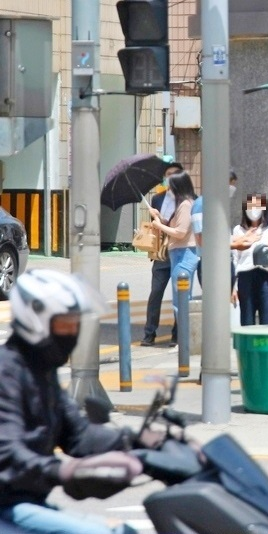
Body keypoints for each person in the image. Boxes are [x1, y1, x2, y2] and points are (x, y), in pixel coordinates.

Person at [0, 270, 163, 534]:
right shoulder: (6, 373)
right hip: (7, 506)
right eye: (65, 325)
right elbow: (7, 454)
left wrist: (135, 440)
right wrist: (63, 471)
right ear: (34, 321)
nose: (71, 334)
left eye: (76, 325)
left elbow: (77, 435)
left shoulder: (41, 370)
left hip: (28, 502)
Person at [149, 171, 199, 341]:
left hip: (183, 253)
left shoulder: (185, 204)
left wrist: (159, 226)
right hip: (179, 252)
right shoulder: (182, 204)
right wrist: (159, 218)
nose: (168, 188)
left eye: (171, 184)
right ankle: (185, 340)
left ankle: (185, 341)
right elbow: (175, 225)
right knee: (181, 299)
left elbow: (180, 232)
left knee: (181, 301)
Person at [141, 160, 183, 347]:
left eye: (174, 174)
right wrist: (155, 217)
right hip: (161, 255)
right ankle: (149, 333)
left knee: (178, 295)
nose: (170, 178)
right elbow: (155, 229)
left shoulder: (187, 200)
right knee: (156, 293)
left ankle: (177, 334)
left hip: (179, 253)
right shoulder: (157, 199)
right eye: (168, 175)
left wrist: (163, 222)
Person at [231, 193, 268, 326]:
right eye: (250, 206)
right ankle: (248, 346)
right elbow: (235, 259)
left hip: (266, 274)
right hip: (246, 275)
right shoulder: (238, 230)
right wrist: (233, 286)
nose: (254, 209)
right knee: (247, 316)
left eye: (258, 205)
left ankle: (267, 345)